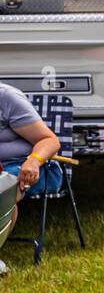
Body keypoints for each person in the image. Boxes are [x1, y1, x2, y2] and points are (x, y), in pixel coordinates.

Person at [0, 81, 62, 266]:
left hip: (27, 167)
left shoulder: (6, 97)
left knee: (3, 191)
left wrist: (34, 160)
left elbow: (50, 141)